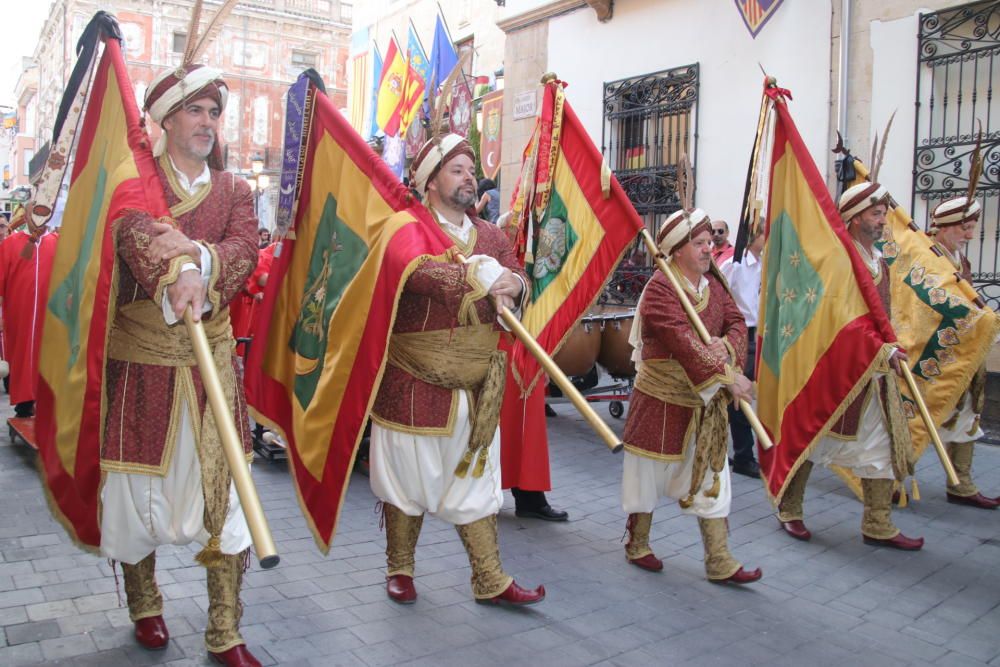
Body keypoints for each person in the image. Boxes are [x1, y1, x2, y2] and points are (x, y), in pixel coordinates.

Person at [100, 64, 262, 667]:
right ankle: (144, 604)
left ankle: (226, 630)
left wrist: (203, 261)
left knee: (226, 496)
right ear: (165, 119)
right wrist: (177, 270)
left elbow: (246, 249)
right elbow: (135, 234)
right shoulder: (135, 184)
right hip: (141, 367)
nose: (206, 122)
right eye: (194, 110)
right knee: (136, 497)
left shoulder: (235, 191)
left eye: (214, 112)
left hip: (211, 366)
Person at [369, 134, 545, 606]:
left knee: (477, 481)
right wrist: (480, 277)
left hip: (475, 386)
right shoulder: (405, 227)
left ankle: (489, 578)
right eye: (457, 169)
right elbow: (417, 271)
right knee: (406, 480)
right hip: (413, 381)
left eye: (471, 169)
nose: (469, 177)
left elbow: (514, 274)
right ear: (429, 181)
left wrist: (515, 282)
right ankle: (400, 568)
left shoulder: (490, 235)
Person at [776, 181, 922, 550]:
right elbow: (840, 316)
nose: (883, 221)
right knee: (814, 437)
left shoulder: (878, 262)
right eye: (876, 214)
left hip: (875, 371)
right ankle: (789, 508)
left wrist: (890, 346)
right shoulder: (841, 261)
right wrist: (880, 348)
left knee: (882, 444)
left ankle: (877, 523)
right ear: (854, 219)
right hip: (839, 370)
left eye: (883, 213)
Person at [620, 207, 762, 584]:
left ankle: (719, 559)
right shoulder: (659, 290)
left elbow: (736, 322)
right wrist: (728, 376)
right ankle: (638, 542)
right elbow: (682, 342)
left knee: (713, 476)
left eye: (709, 242)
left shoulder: (714, 285)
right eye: (698, 243)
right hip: (660, 399)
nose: (707, 249)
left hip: (705, 402)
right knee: (647, 476)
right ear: (676, 250)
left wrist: (725, 352)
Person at [927, 196, 998, 509]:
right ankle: (885, 485)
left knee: (967, 412)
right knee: (915, 422)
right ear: (945, 227)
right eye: (965, 228)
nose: (970, 235)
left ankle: (962, 483)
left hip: (962, 355)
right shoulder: (926, 257)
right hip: (931, 356)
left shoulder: (960, 260)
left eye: (972, 228)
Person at [0, 225, 58, 418]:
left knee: (49, 355)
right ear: (26, 216)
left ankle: (46, 403)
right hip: (19, 313)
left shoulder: (58, 242)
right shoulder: (10, 244)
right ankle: (24, 403)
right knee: (21, 356)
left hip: (50, 314)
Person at [719, 229, 763, 478]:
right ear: (754, 235)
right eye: (764, 234)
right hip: (738, 333)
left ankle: (741, 452)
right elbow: (717, 291)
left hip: (756, 332)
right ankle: (743, 455)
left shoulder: (761, 264)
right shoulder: (733, 265)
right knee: (738, 395)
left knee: (745, 393)